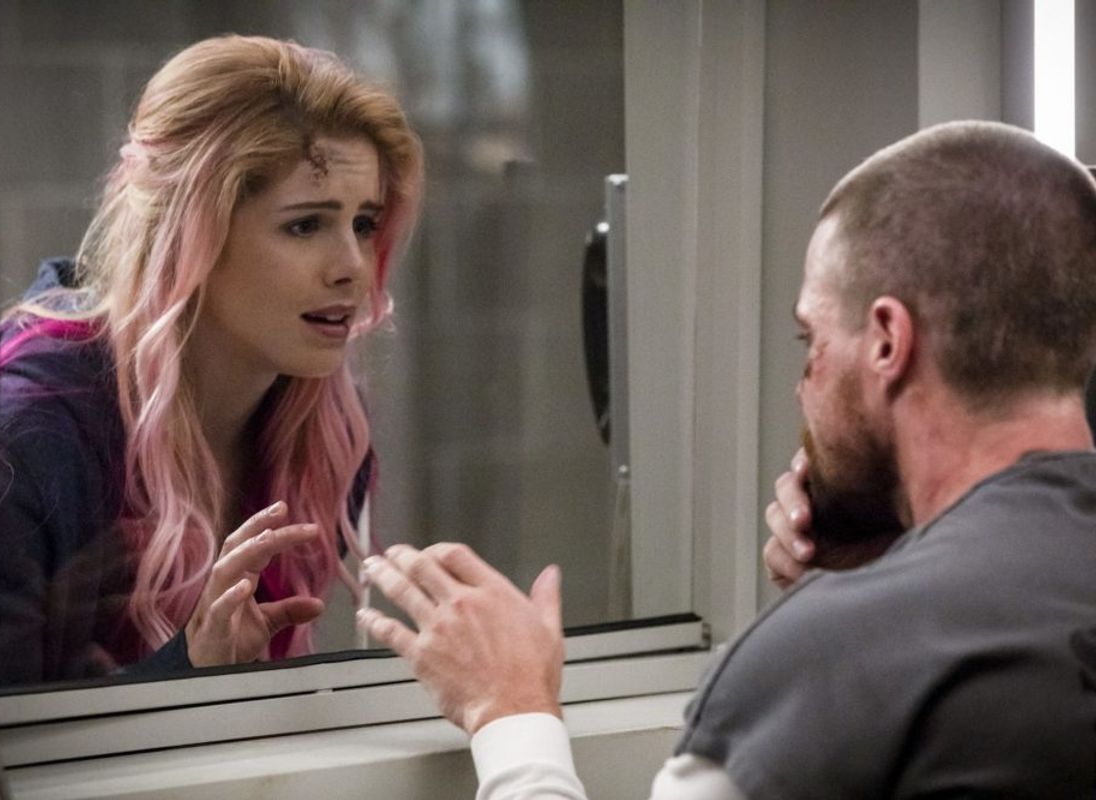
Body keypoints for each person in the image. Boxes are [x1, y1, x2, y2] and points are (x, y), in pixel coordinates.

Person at [356, 120, 1096, 797]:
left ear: (886, 343)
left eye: (810, 340)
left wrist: (511, 712)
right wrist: (904, 567)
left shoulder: (831, 658)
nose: (802, 386)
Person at [0, 35, 423, 688]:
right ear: (191, 234)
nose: (353, 269)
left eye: (364, 223)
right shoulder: (26, 437)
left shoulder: (327, 426)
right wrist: (188, 669)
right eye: (305, 225)